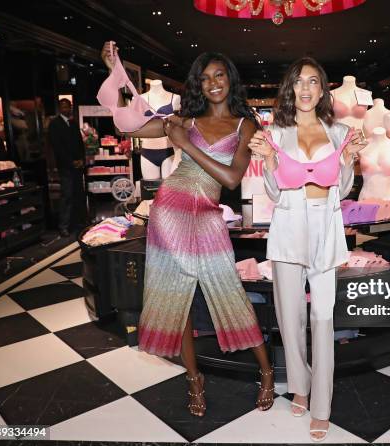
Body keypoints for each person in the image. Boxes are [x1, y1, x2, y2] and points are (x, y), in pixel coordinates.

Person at [100, 41, 275, 417]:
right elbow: (129, 128)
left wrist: (185, 146)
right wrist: (114, 75)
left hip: (208, 215)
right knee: (175, 299)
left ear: (231, 79)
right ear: (198, 84)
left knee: (230, 293)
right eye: (205, 78)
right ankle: (193, 380)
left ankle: (266, 371)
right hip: (169, 212)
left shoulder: (246, 125)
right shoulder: (184, 118)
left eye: (220, 75)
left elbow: (231, 176)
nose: (213, 83)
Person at [248, 57, 366, 442]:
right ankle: (300, 385)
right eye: (298, 82)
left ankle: (322, 405)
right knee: (290, 315)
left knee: (322, 317)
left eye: (312, 81)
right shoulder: (276, 133)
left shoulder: (340, 130)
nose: (304, 89)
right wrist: (266, 160)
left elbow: (344, 188)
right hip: (287, 226)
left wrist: (349, 159)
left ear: (322, 88)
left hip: (325, 227)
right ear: (289, 89)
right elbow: (271, 189)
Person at [48, 99, 85, 237]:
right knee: (67, 196)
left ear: (70, 107)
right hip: (66, 167)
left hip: (77, 166)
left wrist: (81, 160)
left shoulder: (73, 124)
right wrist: (71, 162)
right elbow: (57, 148)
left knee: (78, 195)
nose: (66, 109)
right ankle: (63, 226)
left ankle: (78, 224)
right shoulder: (54, 124)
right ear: (59, 108)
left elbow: (80, 144)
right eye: (63, 106)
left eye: (68, 106)